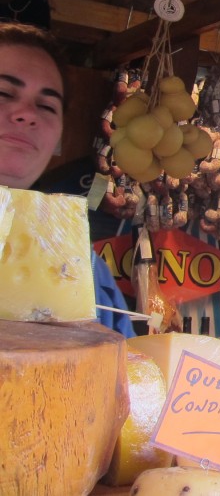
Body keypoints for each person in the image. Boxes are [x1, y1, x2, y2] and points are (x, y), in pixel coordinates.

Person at [0, 21, 134, 337]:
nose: (26, 113)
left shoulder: (79, 269)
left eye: (47, 105)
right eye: (3, 92)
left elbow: (120, 375)